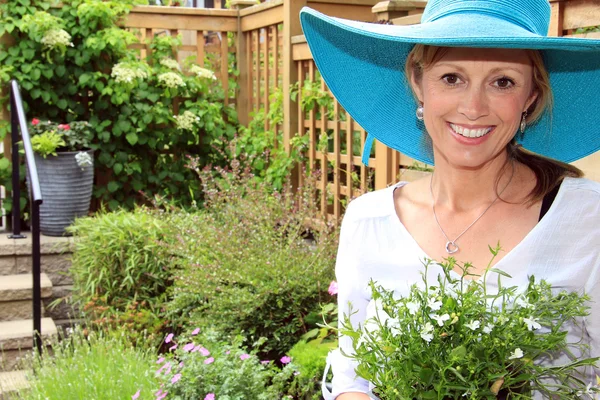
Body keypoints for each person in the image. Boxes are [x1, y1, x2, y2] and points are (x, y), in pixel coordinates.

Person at [300, 0, 600, 398]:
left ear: (531, 97)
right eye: (452, 77)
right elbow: (353, 370)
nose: (473, 108)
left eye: (503, 82)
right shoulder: (367, 221)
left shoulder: (586, 219)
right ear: (418, 83)